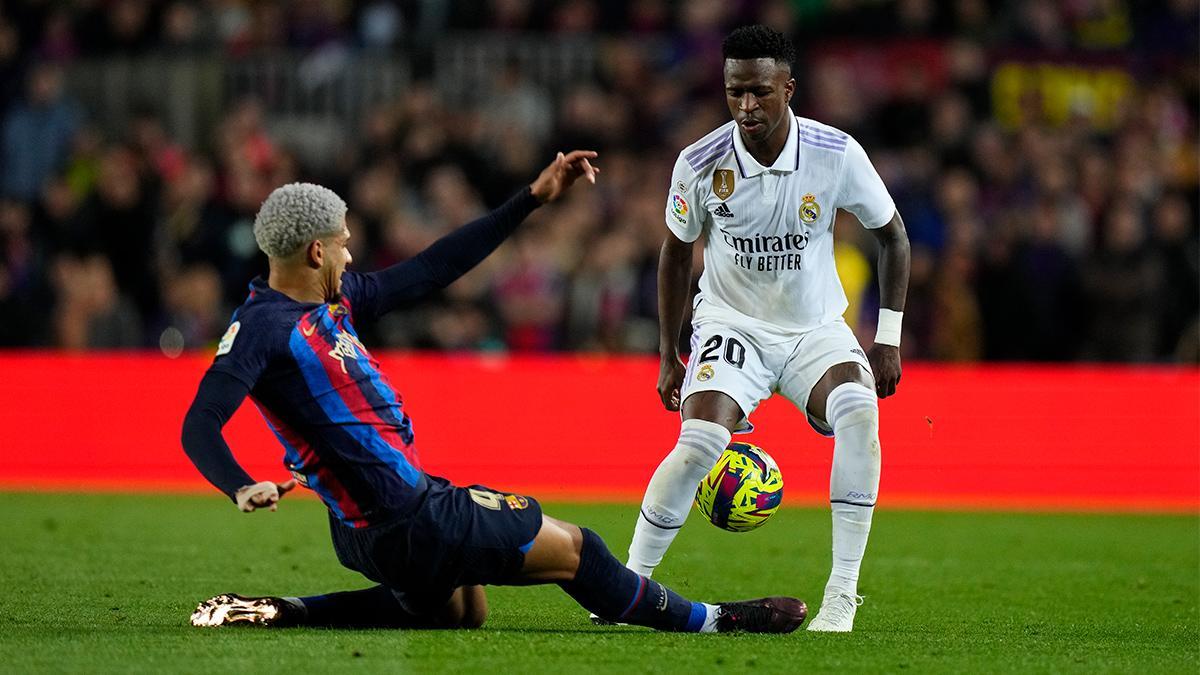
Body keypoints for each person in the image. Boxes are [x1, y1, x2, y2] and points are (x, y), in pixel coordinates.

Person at [180, 150, 806, 634]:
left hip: (366, 531)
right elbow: (200, 422)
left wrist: (529, 199)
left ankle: (279, 609)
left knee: (461, 612)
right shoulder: (265, 329)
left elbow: (433, 268)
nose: (351, 252)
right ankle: (715, 619)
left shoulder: (332, 301)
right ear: (317, 250)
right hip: (409, 517)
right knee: (578, 551)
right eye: (344, 242)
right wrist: (239, 482)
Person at [621, 25, 910, 633]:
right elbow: (675, 254)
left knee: (859, 411)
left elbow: (893, 236)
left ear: (788, 88)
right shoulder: (699, 162)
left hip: (814, 329)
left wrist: (887, 337)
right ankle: (630, 587)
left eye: (759, 92)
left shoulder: (837, 153)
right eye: (734, 93)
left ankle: (841, 593)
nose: (746, 106)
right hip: (733, 325)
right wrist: (670, 353)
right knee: (699, 444)